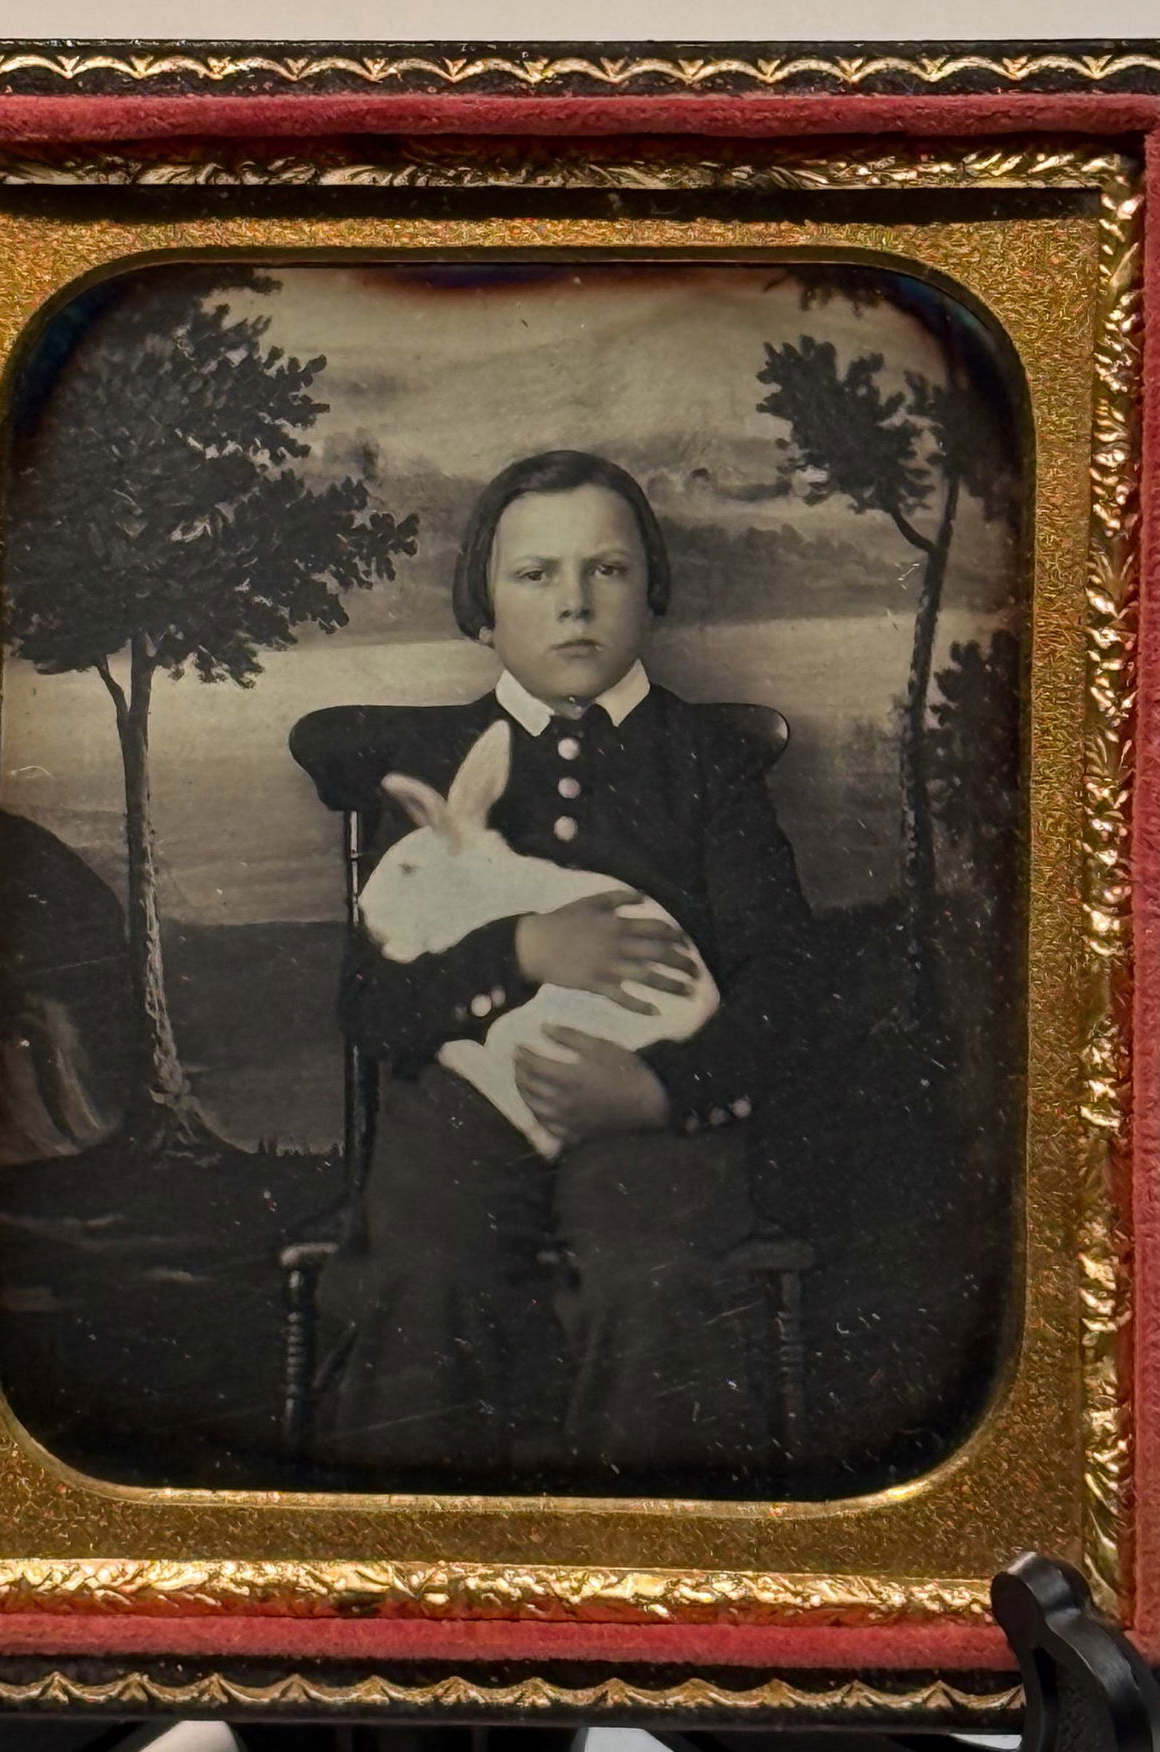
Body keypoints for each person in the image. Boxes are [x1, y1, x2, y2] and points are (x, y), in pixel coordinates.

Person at [289, 450, 816, 1489]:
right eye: (535, 575)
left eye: (607, 570)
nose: (575, 603)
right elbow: (372, 1005)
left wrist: (665, 1088)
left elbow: (787, 980)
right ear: (482, 607)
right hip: (460, 1104)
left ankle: (647, 1570)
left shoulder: (705, 767)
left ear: (652, 591)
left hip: (649, 1110)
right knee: (421, 1277)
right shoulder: (437, 763)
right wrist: (521, 951)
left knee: (654, 1283)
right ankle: (401, 1568)